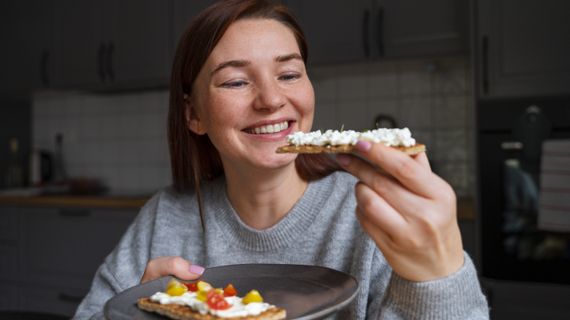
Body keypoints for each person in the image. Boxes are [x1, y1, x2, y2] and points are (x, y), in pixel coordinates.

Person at [73, 0, 489, 319]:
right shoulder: (167, 216)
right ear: (193, 115)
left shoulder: (375, 213)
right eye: (236, 81)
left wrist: (439, 277)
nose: (272, 100)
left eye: (289, 74)